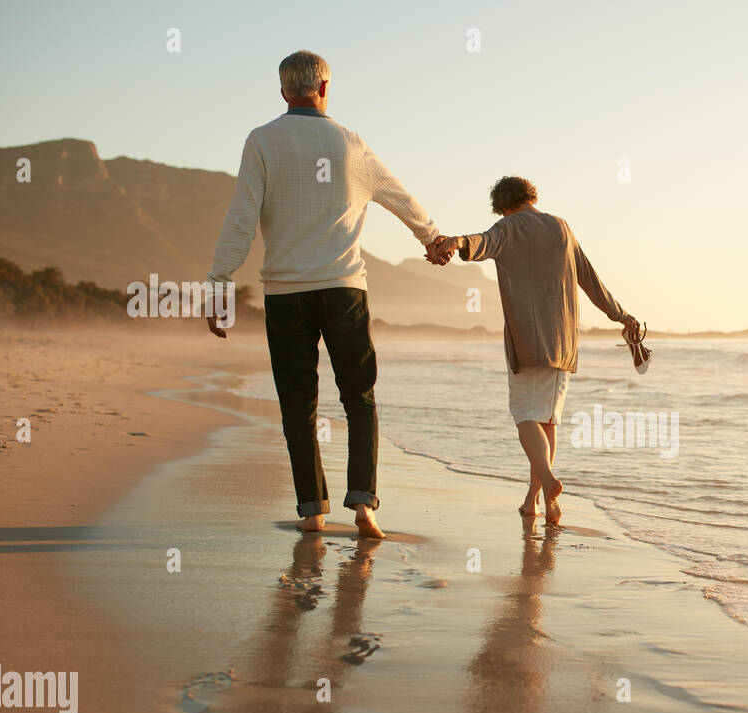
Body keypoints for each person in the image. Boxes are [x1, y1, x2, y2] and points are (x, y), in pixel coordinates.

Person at [207, 50, 444, 539]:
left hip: (286, 294)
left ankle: (313, 509)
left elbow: (241, 218)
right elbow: (398, 194)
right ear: (325, 88)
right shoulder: (349, 143)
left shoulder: (262, 141)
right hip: (344, 291)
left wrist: (218, 283)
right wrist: (432, 239)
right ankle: (364, 506)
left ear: (282, 91)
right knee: (359, 397)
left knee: (298, 402)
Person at [426, 177, 640, 525]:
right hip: (564, 341)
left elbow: (480, 243)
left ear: (502, 205)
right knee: (547, 420)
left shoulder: (508, 227)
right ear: (531, 196)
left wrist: (455, 243)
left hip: (528, 340)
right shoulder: (562, 228)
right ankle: (537, 502)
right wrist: (621, 314)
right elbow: (590, 279)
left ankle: (551, 483)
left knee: (526, 417)